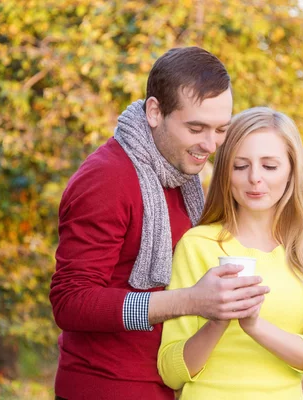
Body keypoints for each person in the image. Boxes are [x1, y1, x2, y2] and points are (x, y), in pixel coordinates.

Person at [49, 47, 270, 400]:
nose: (210, 144)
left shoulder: (181, 175)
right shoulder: (107, 178)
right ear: (155, 111)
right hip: (107, 388)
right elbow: (70, 302)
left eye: (220, 130)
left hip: (169, 384)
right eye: (196, 127)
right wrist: (189, 301)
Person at [158, 107, 303, 399]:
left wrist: (254, 326)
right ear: (225, 172)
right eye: (240, 166)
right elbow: (171, 371)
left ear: (292, 170)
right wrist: (218, 319)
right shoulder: (197, 245)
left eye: (269, 166)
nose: (255, 178)